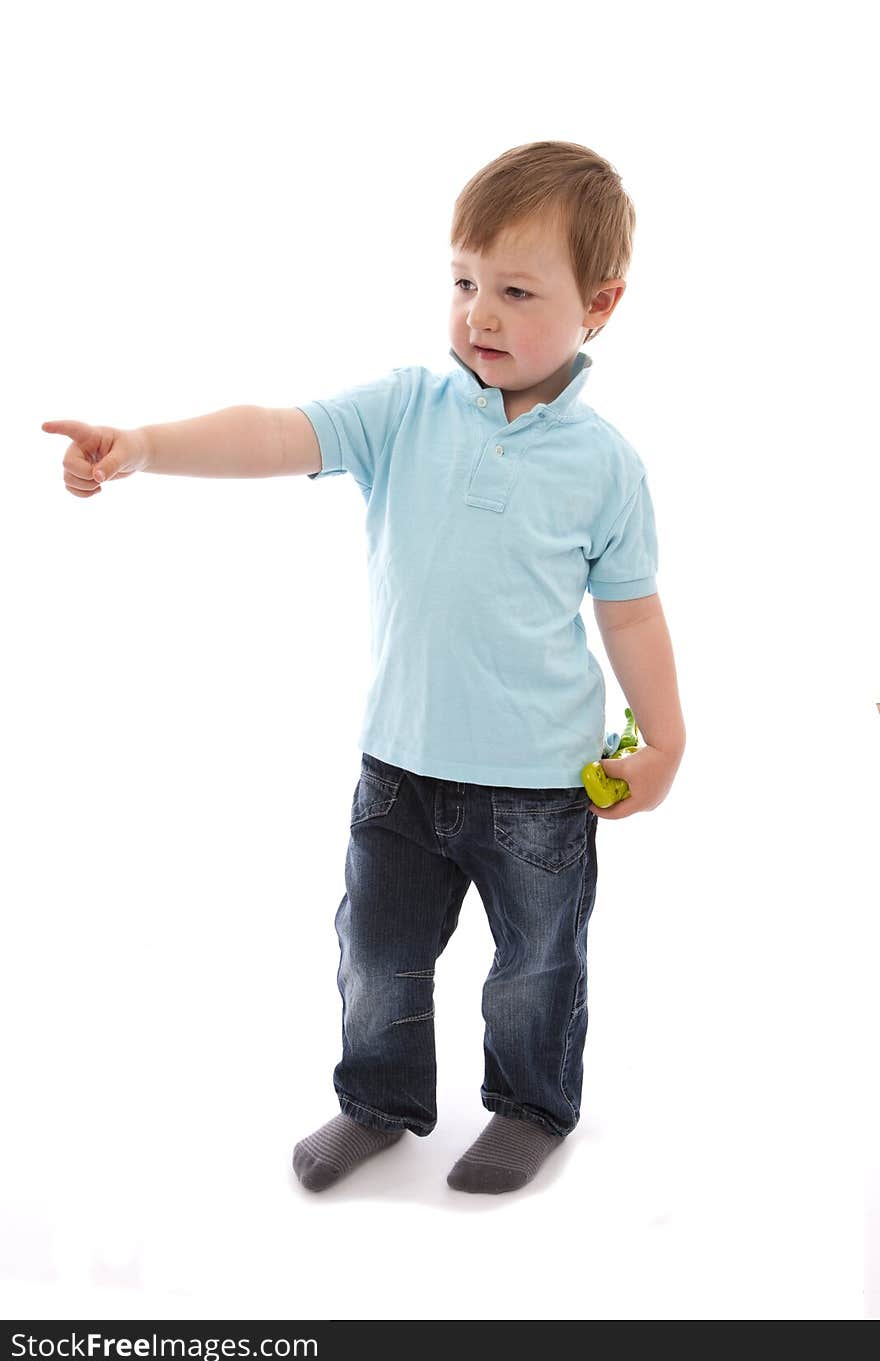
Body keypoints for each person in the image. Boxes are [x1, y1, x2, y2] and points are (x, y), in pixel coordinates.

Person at [43, 140, 686, 1196]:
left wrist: (665, 737)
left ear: (599, 305)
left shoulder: (604, 465)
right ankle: (377, 1101)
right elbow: (274, 431)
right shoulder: (406, 410)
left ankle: (531, 1105)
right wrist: (145, 445)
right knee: (375, 958)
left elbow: (632, 614)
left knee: (534, 969)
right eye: (464, 282)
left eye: (516, 291)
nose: (479, 312)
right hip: (399, 766)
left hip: (538, 788)